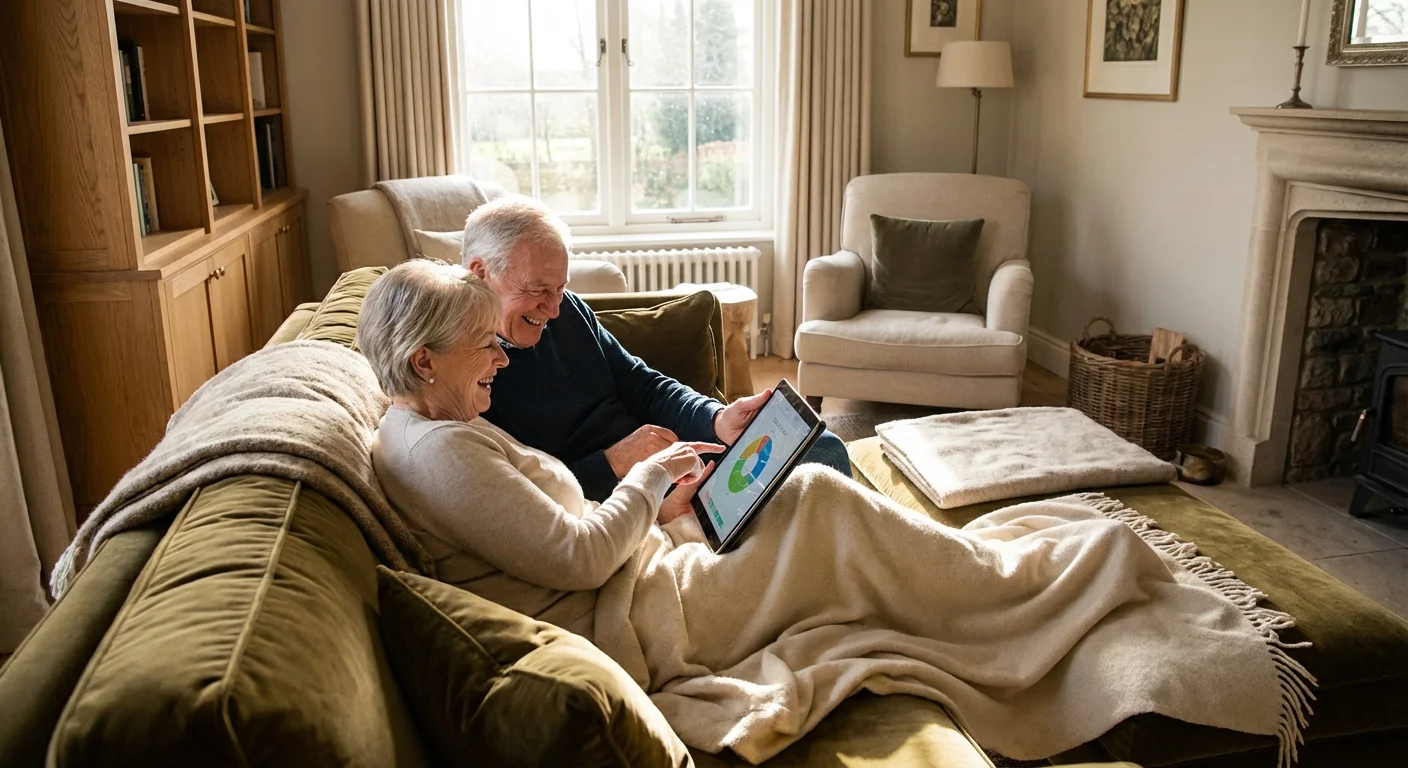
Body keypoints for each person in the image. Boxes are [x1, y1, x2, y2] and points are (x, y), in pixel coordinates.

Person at [363, 260, 1290, 764]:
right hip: (646, 614)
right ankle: (1033, 581)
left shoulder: (433, 426)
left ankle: (978, 575)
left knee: (810, 481)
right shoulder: (439, 450)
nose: (500, 355)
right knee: (817, 502)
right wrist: (646, 486)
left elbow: (582, 503)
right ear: (421, 364)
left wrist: (685, 460)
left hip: (648, 574)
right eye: (484, 343)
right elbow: (573, 556)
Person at [457, 194, 851, 501]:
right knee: (807, 483)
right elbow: (528, 496)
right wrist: (615, 461)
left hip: (667, 462)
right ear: (480, 272)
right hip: (615, 497)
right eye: (538, 289)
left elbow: (643, 384)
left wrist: (715, 418)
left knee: (820, 447)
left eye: (560, 287)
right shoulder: (465, 372)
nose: (555, 307)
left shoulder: (569, 311)